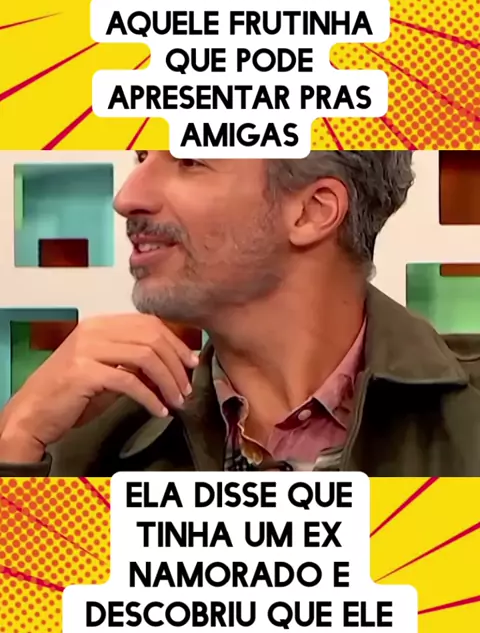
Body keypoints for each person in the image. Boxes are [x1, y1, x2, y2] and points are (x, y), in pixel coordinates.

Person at [0, 151, 479, 476]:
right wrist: (16, 446)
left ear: (312, 211)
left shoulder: (467, 418)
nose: (127, 198)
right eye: (142, 158)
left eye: (189, 159)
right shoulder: (84, 444)